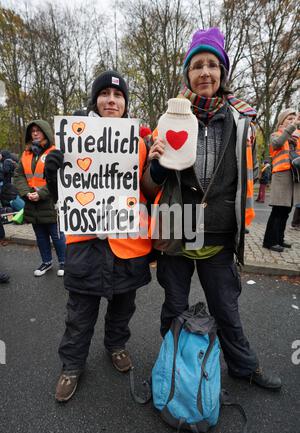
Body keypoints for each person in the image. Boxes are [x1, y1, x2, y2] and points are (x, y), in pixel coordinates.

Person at [141, 27, 281, 390]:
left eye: (212, 65)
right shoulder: (167, 120)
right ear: (187, 73)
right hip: (176, 227)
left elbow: (245, 180)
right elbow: (149, 186)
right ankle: (172, 371)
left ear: (222, 73)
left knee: (226, 309)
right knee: (174, 307)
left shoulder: (241, 121)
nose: (205, 72)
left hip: (219, 231)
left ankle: (243, 365)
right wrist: (154, 167)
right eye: (197, 65)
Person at [44, 71, 152, 402]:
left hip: (127, 246)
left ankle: (116, 345)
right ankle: (72, 365)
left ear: (125, 103)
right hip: (86, 247)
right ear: (95, 100)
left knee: (123, 307)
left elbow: (146, 191)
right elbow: (62, 197)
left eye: (118, 95)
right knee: (79, 314)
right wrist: (52, 176)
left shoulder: (140, 143)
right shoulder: (69, 140)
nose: (111, 100)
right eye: (104, 93)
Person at [14, 120, 66, 276]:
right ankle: (46, 262)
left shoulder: (54, 152)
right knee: (40, 236)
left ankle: (64, 263)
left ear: (46, 132)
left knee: (57, 235)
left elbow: (59, 177)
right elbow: (19, 175)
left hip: (50, 201)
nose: (35, 133)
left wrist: (41, 193)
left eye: (38, 130)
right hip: (31, 202)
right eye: (32, 131)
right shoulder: (26, 153)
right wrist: (26, 193)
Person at [263, 109, 300, 252]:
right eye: (289, 119)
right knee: (278, 211)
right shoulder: (276, 135)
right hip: (281, 176)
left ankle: (279, 239)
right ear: (282, 121)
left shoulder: (296, 138)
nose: (292, 121)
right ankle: (270, 241)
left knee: (286, 211)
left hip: (293, 177)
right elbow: (277, 144)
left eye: (294, 118)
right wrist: (292, 127)